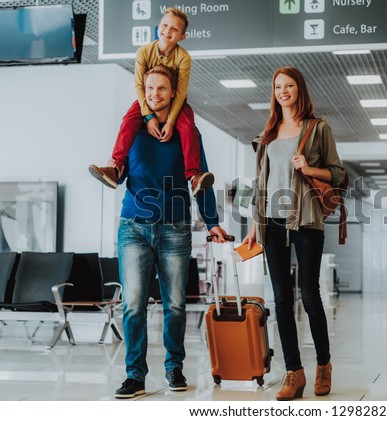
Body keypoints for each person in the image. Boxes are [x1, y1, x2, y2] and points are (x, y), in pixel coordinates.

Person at [114, 65, 228, 399]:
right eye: (149, 88)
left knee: (175, 305)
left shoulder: (186, 130)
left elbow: (201, 178)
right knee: (133, 305)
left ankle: (173, 367)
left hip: (175, 227)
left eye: (162, 89)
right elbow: (119, 172)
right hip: (133, 225)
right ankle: (135, 375)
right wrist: (114, 168)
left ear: (174, 93)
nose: (155, 95)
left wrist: (212, 222)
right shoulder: (134, 127)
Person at [242, 66, 347, 401]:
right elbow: (260, 183)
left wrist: (309, 168)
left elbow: (338, 174)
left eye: (288, 86)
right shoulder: (269, 132)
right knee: (281, 300)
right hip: (271, 221)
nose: (282, 91)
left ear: (299, 89)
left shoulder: (318, 128)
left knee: (310, 295)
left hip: (305, 220)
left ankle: (323, 366)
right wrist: (252, 225)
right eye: (277, 87)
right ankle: (293, 373)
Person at [89, 7, 213, 196]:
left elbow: (179, 92)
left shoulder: (184, 58)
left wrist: (171, 121)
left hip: (176, 101)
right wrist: (148, 116)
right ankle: (114, 168)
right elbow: (139, 85)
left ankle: (193, 176)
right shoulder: (144, 52)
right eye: (164, 25)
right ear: (158, 26)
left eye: (174, 29)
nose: (167, 31)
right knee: (128, 121)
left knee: (188, 127)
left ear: (182, 36)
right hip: (145, 100)